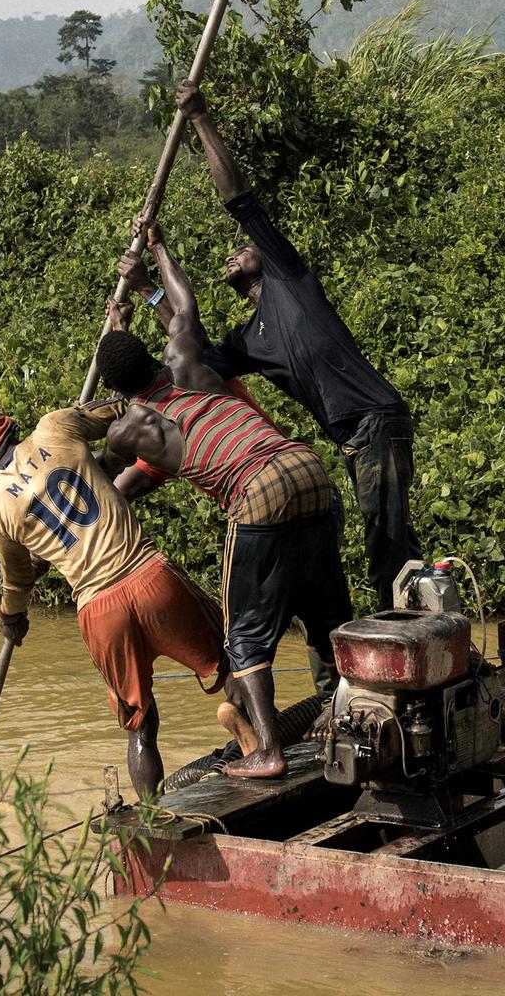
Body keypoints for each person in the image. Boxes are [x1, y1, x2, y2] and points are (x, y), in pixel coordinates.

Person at [94, 218, 353, 780]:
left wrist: (108, 348)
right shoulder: (189, 359)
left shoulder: (129, 430)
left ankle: (267, 749)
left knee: (243, 633)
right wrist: (160, 250)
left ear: (118, 392)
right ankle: (348, 713)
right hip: (306, 467)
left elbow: (97, 467)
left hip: (257, 488)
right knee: (327, 611)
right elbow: (182, 304)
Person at [175, 82, 423, 612]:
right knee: (397, 545)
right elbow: (187, 354)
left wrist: (200, 119)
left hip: (375, 421)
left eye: (242, 249)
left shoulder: (288, 276)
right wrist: (153, 280)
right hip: (355, 439)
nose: (233, 254)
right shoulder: (248, 341)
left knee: (385, 547)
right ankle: (424, 624)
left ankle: (399, 645)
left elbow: (237, 198)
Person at [0, 399, 226, 799]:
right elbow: (121, 411)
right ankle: (266, 746)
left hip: (98, 610)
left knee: (141, 724)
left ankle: (152, 814)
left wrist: (11, 617)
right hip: (148, 576)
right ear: (9, 427)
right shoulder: (54, 427)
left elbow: (17, 579)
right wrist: (103, 456)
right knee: (236, 663)